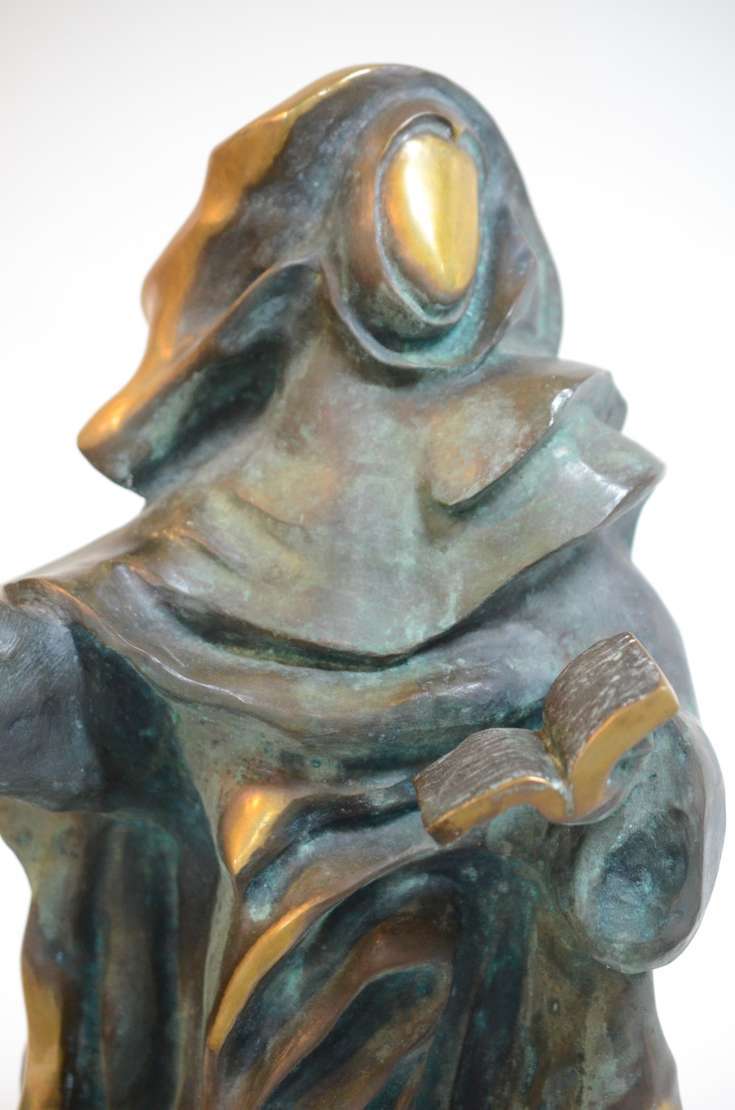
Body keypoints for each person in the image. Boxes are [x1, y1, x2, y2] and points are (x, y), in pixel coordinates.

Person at [0, 65, 723, 1108]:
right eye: (390, 190)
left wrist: (634, 787)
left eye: (453, 184)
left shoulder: (548, 485)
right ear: (305, 259)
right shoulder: (208, 535)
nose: (431, 234)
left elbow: (653, 737)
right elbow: (90, 667)